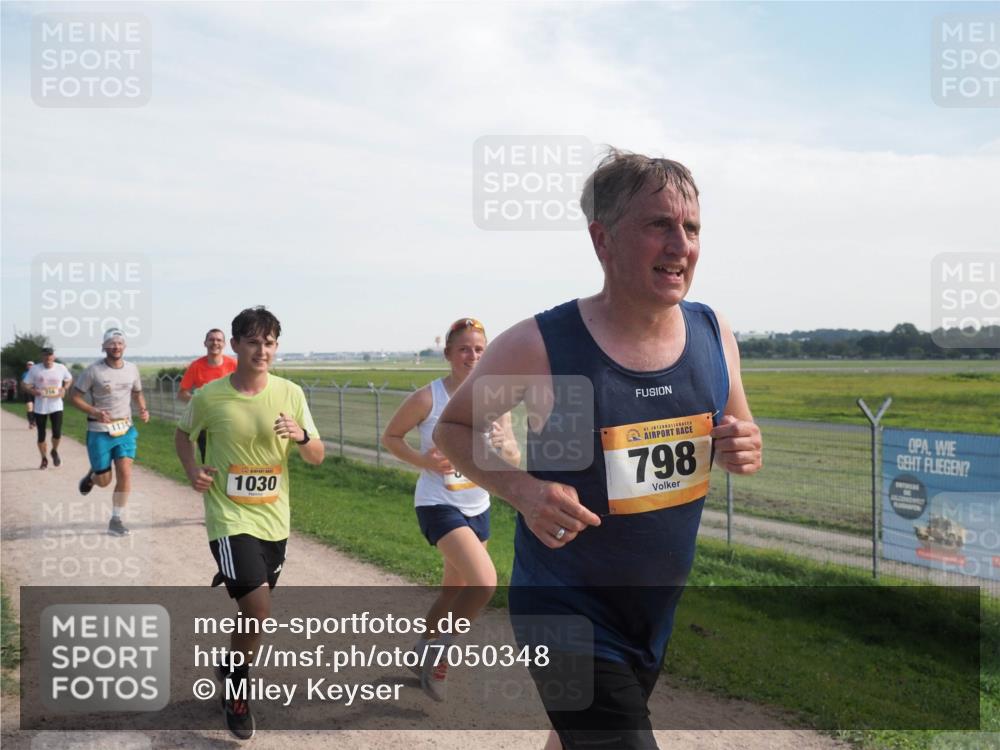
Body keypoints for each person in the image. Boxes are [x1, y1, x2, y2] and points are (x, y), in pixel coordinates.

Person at [434, 149, 763, 749]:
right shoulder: (541, 346)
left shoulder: (714, 333)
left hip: (651, 613)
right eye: (659, 224)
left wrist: (742, 445)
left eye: (691, 228)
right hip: (563, 608)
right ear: (602, 239)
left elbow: (735, 430)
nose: (680, 245)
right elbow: (453, 428)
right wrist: (522, 490)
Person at [175, 306, 324, 741]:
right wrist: (192, 470)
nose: (263, 350)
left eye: (270, 342)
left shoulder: (290, 393)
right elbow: (183, 435)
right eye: (254, 342)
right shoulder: (210, 396)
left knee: (252, 614)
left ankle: (229, 665)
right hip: (228, 517)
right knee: (258, 608)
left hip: (274, 520)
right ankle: (238, 691)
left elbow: (317, 456)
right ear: (236, 344)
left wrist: (301, 436)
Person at [382, 317, 520, 702]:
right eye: (463, 349)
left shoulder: (497, 401)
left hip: (478, 506)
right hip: (438, 504)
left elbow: (511, 457)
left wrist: (507, 445)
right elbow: (391, 437)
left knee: (452, 592)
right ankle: (441, 654)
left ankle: (420, 650)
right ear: (448, 354)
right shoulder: (429, 398)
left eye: (479, 349)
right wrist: (423, 460)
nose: (472, 356)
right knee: (484, 583)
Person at [70, 329, 149, 537]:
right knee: (104, 481)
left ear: (125, 346)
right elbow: (74, 397)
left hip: (125, 429)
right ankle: (93, 477)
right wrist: (94, 411)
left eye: (120, 343)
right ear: (104, 347)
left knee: (125, 473)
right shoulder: (93, 371)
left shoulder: (132, 369)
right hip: (99, 431)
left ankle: (116, 519)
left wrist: (142, 408)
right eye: (112, 343)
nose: (116, 346)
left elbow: (137, 393)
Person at [178, 328, 237, 461]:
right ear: (205, 343)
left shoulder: (234, 365)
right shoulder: (196, 366)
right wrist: (200, 402)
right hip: (206, 423)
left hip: (230, 420)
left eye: (219, 340)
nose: (215, 343)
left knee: (232, 458)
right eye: (211, 340)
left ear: (224, 344)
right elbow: (181, 394)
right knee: (209, 459)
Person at [24, 347, 73, 469]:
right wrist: (32, 391)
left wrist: (64, 388)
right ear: (42, 356)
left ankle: (54, 451)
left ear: (53, 357)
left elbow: (69, 379)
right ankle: (44, 458)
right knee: (41, 435)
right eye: (45, 355)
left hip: (56, 405)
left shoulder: (61, 368)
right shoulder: (35, 369)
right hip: (40, 406)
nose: (48, 357)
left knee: (57, 433)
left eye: (50, 355)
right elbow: (24, 384)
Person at [21, 361, 35, 428]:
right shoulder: (24, 374)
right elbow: (23, 383)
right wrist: (24, 388)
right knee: (29, 407)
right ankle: (31, 423)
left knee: (35, 408)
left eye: (31, 365)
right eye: (28, 365)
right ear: (26, 366)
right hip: (28, 392)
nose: (30, 366)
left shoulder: (37, 373)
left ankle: (34, 420)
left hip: (35, 392)